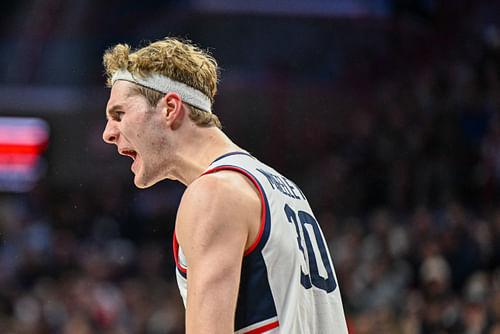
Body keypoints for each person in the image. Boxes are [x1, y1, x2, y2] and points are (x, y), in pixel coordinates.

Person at [102, 37, 348, 334]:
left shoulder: (213, 193)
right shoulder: (280, 187)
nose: (108, 133)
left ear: (169, 108)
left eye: (120, 114)